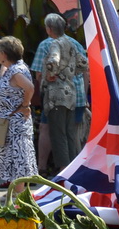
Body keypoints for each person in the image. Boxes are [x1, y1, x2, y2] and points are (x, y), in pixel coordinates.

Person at [32, 14, 86, 173]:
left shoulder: (53, 44)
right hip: (72, 93)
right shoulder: (71, 43)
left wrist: (52, 74)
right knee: (70, 133)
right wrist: (69, 73)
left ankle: (63, 170)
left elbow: (53, 61)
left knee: (57, 133)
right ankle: (72, 168)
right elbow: (84, 64)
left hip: (56, 95)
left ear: (49, 29)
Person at [0, 37, 38, 187]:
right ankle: (15, 193)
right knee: (13, 159)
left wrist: (26, 105)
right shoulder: (13, 68)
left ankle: (19, 195)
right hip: (10, 123)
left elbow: (30, 88)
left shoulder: (16, 71)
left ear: (4, 53)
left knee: (17, 159)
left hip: (15, 123)